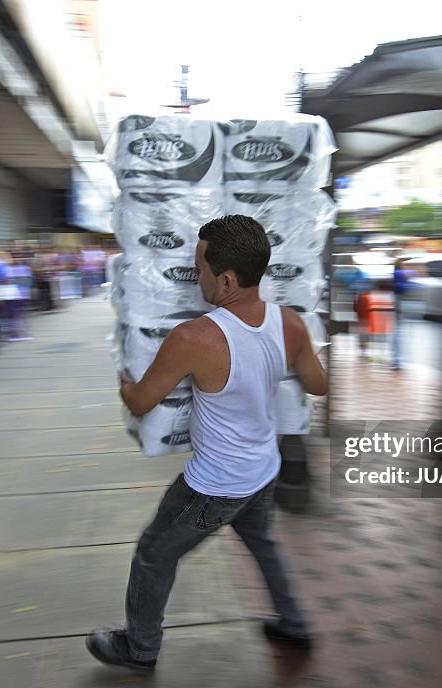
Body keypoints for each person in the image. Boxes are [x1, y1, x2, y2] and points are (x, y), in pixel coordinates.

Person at [87, 215, 327, 671]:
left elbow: (140, 402)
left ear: (228, 278)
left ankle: (139, 648)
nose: (196, 275)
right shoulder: (290, 323)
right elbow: (318, 385)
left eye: (200, 267)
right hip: (263, 471)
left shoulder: (194, 337)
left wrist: (122, 374)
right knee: (263, 544)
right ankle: (293, 622)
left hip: (213, 487)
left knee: (154, 555)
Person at [391, 257, 410, 370]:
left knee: (396, 332)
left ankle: (396, 360)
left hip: (397, 303)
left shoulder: (395, 273)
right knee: (399, 332)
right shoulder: (401, 274)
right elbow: (403, 289)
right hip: (401, 303)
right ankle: (397, 360)